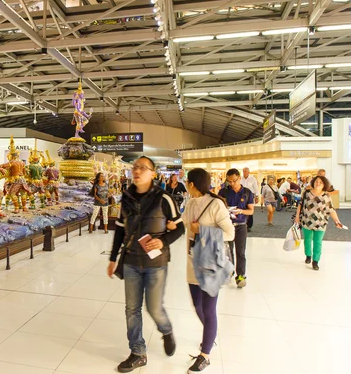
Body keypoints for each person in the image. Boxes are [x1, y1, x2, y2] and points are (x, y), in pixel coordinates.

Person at [107, 156, 184, 373]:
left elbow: (179, 228)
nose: (137, 171)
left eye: (143, 168)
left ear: (153, 173)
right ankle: (138, 352)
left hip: (156, 263)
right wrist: (113, 258)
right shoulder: (127, 197)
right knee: (132, 309)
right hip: (131, 260)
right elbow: (121, 230)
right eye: (135, 167)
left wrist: (163, 240)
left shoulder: (164, 198)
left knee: (154, 308)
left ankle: (166, 330)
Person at [182, 168, 235, 373]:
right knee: (197, 305)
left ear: (192, 184)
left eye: (187, 182)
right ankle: (209, 337)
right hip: (192, 260)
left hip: (210, 263)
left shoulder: (216, 204)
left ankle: (205, 355)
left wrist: (201, 230)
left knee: (208, 309)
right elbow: (184, 223)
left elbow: (229, 233)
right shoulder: (190, 202)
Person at [295, 176, 344, 271]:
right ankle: (308, 255)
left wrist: (337, 221)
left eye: (321, 182)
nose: (318, 183)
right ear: (313, 182)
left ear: (324, 184)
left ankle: (315, 261)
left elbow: (331, 210)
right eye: (316, 181)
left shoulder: (326, 196)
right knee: (307, 240)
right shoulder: (306, 193)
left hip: (321, 223)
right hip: (307, 221)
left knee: (318, 242)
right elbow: (300, 205)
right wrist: (297, 217)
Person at [219, 168, 254, 288]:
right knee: (227, 251)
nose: (232, 183)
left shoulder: (247, 192)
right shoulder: (223, 192)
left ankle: (240, 276)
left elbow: (251, 211)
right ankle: (229, 270)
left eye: (234, 180)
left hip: (241, 225)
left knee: (240, 251)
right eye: (229, 181)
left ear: (239, 178)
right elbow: (218, 208)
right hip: (227, 225)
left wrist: (241, 211)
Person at [240, 168, 260, 232]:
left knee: (250, 210)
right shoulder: (240, 178)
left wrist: (257, 196)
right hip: (241, 195)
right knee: (242, 209)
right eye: (243, 171)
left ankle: (249, 225)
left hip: (250, 196)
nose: (244, 172)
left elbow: (255, 188)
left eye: (246, 171)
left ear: (249, 172)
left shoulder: (252, 179)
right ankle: (242, 223)